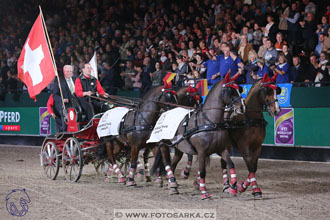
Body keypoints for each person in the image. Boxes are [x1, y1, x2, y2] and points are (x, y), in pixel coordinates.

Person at [52, 65, 76, 132]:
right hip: (63, 104)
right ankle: (65, 131)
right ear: (64, 72)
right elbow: (55, 95)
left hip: (75, 103)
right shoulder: (59, 81)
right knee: (65, 110)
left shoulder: (75, 79)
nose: (69, 73)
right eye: (67, 71)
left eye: (70, 71)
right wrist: (62, 100)